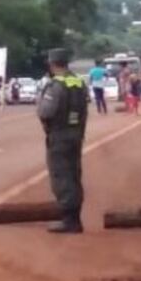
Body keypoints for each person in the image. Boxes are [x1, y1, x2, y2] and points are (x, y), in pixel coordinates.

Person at [38, 48, 88, 234]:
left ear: (52, 64)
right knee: (74, 175)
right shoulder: (79, 82)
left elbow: (46, 112)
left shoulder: (55, 85)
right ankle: (75, 217)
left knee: (61, 176)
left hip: (59, 135)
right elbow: (84, 111)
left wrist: (47, 127)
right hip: (76, 134)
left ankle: (69, 220)